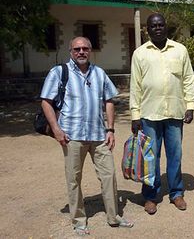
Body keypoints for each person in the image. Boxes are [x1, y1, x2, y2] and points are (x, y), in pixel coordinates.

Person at [40, 36, 133, 236]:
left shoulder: (99, 73)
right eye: (77, 49)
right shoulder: (59, 72)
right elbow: (46, 101)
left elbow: (109, 101)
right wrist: (56, 129)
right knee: (74, 179)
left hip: (99, 135)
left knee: (109, 176)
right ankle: (79, 221)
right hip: (71, 136)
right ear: (71, 51)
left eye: (85, 48)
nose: (81, 52)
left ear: (90, 50)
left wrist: (110, 129)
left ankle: (113, 216)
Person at [129, 13, 194, 215]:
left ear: (166, 27)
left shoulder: (180, 50)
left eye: (160, 25)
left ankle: (176, 193)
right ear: (147, 30)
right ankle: (150, 196)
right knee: (151, 157)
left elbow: (188, 79)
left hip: (175, 113)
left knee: (175, 155)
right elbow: (136, 86)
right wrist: (135, 115)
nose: (157, 28)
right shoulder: (139, 54)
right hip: (149, 114)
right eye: (153, 26)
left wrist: (190, 106)